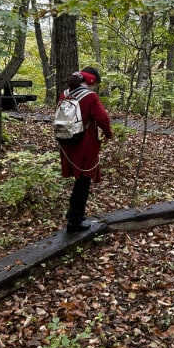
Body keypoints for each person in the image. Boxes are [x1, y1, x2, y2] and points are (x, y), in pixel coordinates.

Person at [58, 67, 113, 233]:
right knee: (83, 180)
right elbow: (102, 117)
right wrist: (108, 134)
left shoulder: (65, 94)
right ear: (91, 81)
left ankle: (74, 215)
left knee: (80, 180)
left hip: (67, 142)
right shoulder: (90, 96)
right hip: (85, 143)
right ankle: (74, 221)